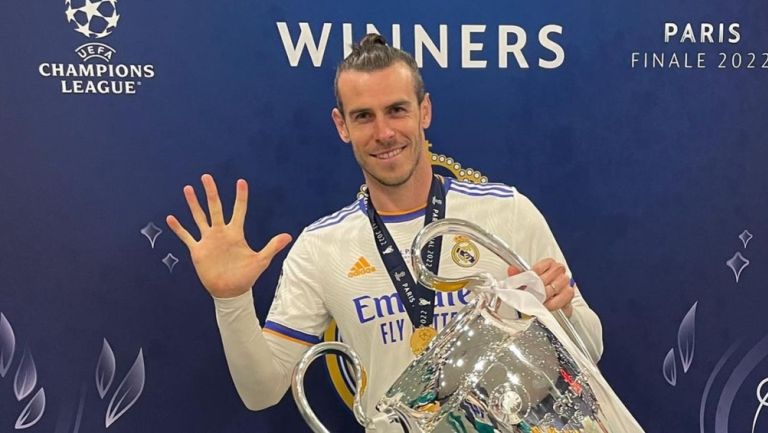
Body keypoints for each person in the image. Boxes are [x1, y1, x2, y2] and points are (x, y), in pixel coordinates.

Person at [166, 34, 602, 425]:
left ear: (424, 111)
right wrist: (232, 300)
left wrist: (561, 312)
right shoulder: (321, 247)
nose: (384, 132)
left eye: (396, 110)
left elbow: (591, 347)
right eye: (363, 116)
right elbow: (261, 392)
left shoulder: (506, 212)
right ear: (342, 125)